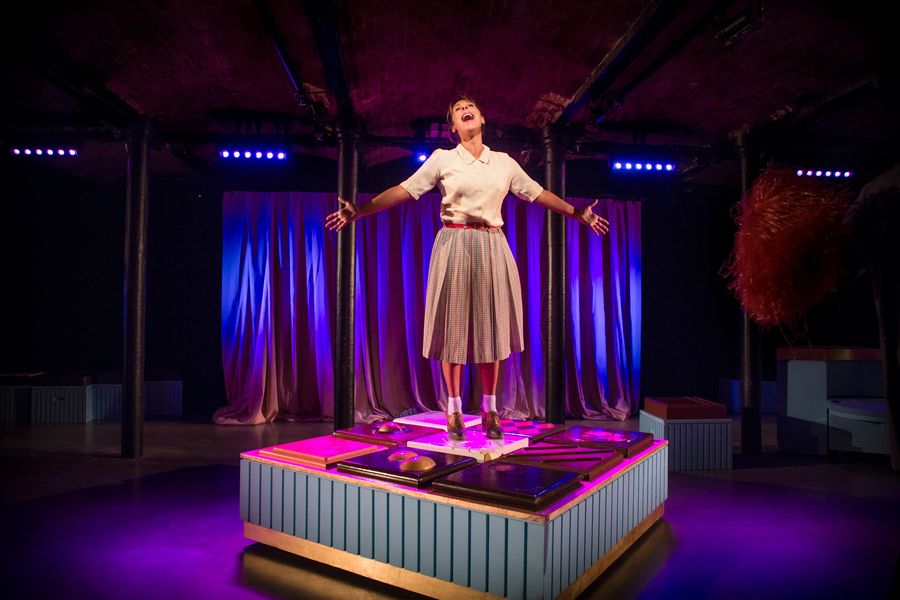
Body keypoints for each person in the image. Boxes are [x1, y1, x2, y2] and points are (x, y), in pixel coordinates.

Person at [326, 95, 608, 441]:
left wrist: (576, 213)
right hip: (455, 241)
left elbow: (537, 193)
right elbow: (405, 190)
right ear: (453, 127)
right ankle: (454, 409)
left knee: (493, 330)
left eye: (469, 106)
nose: (464, 109)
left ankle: (490, 409)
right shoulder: (443, 159)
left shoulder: (503, 163)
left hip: (492, 243)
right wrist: (360, 209)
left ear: (482, 117)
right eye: (457, 110)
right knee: (453, 332)